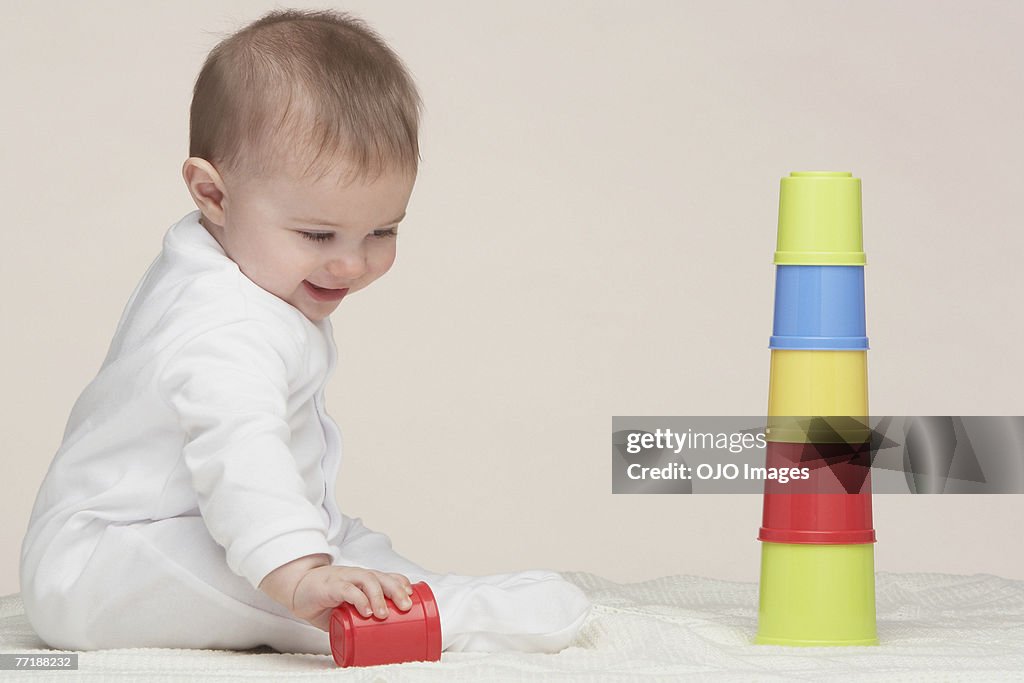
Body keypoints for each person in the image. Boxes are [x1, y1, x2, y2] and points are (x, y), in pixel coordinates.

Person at [19, 8, 592, 656]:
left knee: (339, 543)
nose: (352, 263)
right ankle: (450, 618)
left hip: (183, 526)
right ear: (214, 194)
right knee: (276, 580)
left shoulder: (226, 254)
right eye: (318, 234)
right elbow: (241, 447)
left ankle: (410, 587)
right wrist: (297, 572)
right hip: (105, 562)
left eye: (383, 230)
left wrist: (315, 548)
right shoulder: (221, 323)